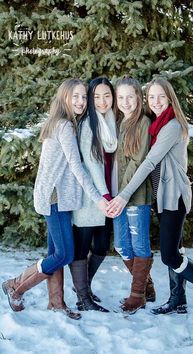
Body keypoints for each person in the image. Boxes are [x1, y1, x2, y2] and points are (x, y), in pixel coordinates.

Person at [108, 77, 193, 315]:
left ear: (170, 98)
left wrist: (123, 196)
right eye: (151, 97)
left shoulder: (172, 126)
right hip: (164, 197)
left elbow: (149, 162)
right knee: (178, 249)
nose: (155, 101)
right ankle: (178, 300)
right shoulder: (157, 125)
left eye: (161, 96)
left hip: (174, 197)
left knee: (170, 255)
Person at [2, 78, 109, 320]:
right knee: (64, 255)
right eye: (76, 97)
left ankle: (56, 303)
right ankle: (16, 286)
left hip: (55, 196)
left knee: (55, 251)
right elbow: (77, 167)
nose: (81, 101)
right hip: (55, 198)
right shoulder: (65, 127)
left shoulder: (60, 123)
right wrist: (99, 198)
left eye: (83, 97)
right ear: (64, 98)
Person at [69, 77, 117, 312]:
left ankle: (82, 288)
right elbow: (91, 161)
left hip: (107, 193)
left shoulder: (110, 121)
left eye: (106, 95)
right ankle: (83, 298)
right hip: (90, 196)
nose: (102, 101)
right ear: (90, 97)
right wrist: (104, 195)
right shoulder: (89, 123)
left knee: (101, 246)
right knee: (83, 245)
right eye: (96, 96)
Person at [112, 76, 156, 314]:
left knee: (139, 243)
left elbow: (137, 162)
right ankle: (146, 284)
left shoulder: (143, 123)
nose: (126, 102)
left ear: (139, 98)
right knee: (120, 244)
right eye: (121, 97)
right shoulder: (119, 122)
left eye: (130, 96)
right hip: (118, 196)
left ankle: (137, 294)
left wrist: (123, 194)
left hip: (136, 196)